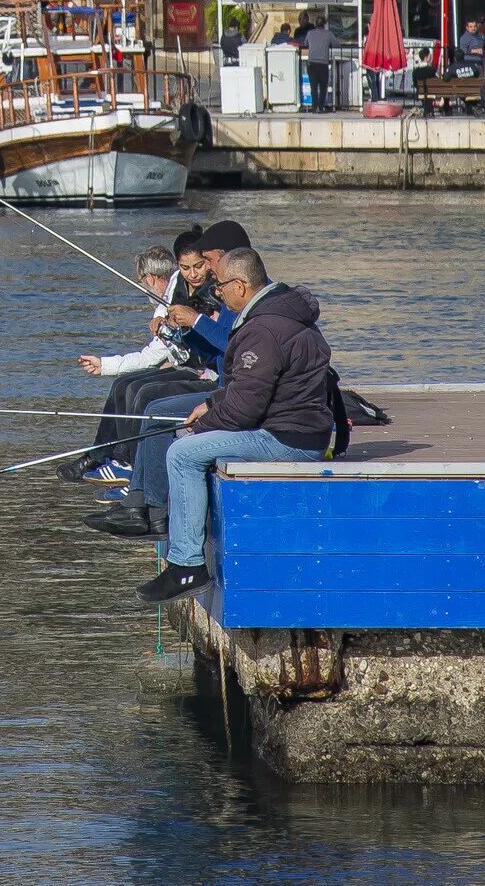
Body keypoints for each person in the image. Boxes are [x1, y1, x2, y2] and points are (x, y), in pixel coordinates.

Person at [137, 244, 336, 602]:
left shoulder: (262, 330)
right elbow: (253, 386)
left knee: (182, 453)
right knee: (187, 436)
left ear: (241, 286)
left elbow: (245, 409)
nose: (217, 292)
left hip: (287, 437)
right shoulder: (287, 313)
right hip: (302, 427)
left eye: (221, 285)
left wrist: (206, 423)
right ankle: (186, 545)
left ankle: (186, 566)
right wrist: (210, 403)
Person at [91, 220, 253, 534]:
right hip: (224, 387)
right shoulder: (230, 292)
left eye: (207, 261)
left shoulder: (241, 298)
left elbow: (234, 345)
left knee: (157, 409)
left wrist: (197, 320)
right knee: (150, 403)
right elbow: (213, 349)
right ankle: (138, 501)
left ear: (228, 259)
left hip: (230, 394)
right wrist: (181, 332)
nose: (204, 271)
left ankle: (153, 509)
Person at [67, 244, 221, 485]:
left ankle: (127, 466)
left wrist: (175, 333)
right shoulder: (176, 295)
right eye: (185, 269)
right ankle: (107, 457)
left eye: (198, 266)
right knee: (123, 385)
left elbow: (155, 354)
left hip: (204, 374)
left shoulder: (204, 298)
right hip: (187, 366)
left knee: (138, 390)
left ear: (148, 278)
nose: (192, 275)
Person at [303, 14, 335, 111]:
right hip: (323, 64)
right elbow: (336, 43)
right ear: (324, 24)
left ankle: (314, 107)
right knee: (323, 87)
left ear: (315, 24)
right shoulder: (328, 34)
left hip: (312, 63)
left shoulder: (310, 33)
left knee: (313, 87)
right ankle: (321, 107)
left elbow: (305, 44)